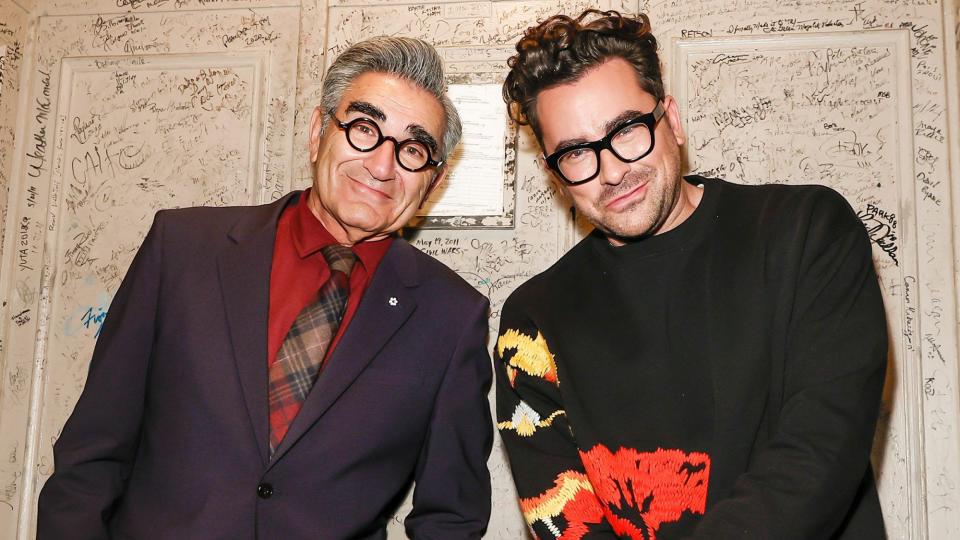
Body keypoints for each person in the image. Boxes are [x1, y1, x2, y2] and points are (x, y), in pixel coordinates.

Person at [38, 36, 492, 539]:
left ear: (433, 178)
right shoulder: (183, 248)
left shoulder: (452, 316)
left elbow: (451, 517)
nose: (382, 166)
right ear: (319, 132)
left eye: (413, 149)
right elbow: (91, 455)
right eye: (365, 129)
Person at [495, 9, 887, 539]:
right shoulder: (532, 322)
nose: (611, 170)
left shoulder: (807, 234)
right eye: (575, 153)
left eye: (627, 131)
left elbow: (819, 451)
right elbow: (566, 520)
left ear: (672, 120)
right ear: (555, 173)